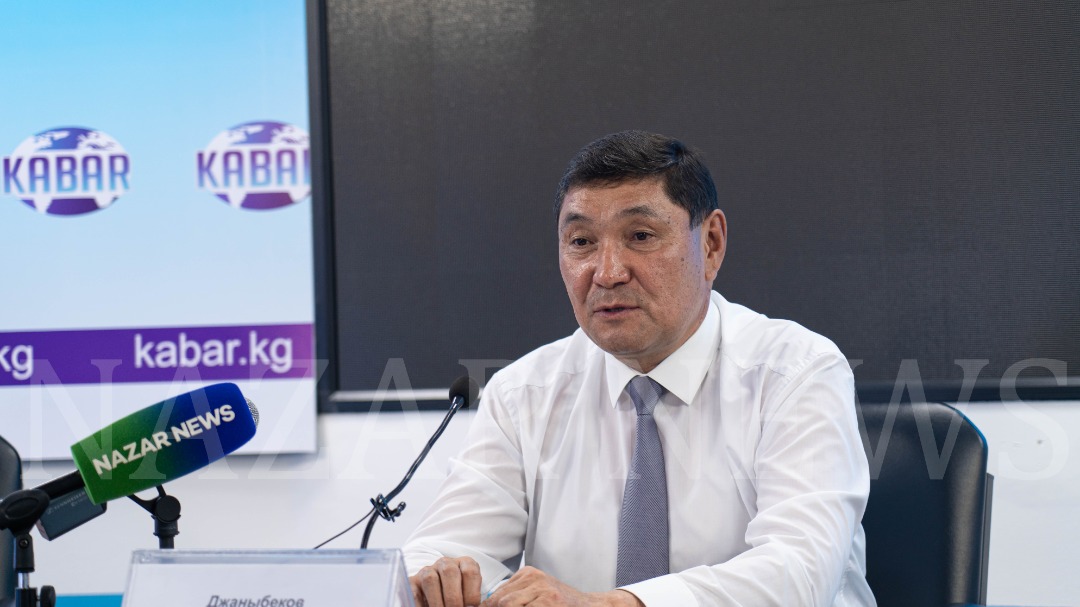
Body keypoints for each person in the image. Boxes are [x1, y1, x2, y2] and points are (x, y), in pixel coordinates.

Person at [403, 130, 875, 607]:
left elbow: (800, 572)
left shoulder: (797, 373)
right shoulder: (522, 394)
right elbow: (434, 552)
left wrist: (607, 605)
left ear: (711, 244)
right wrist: (446, 578)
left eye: (641, 236)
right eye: (581, 241)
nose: (607, 273)